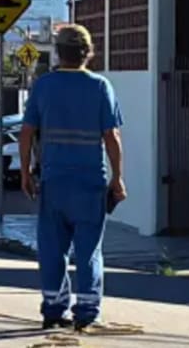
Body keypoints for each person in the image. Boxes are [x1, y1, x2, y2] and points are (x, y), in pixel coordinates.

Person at [19, 24, 126, 333]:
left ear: (58, 53)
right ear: (88, 53)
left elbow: (26, 133)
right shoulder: (100, 87)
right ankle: (88, 312)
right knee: (89, 249)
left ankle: (54, 309)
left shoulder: (43, 86)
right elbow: (112, 137)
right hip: (90, 182)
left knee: (53, 249)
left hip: (54, 181)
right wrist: (117, 178)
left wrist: (25, 172)